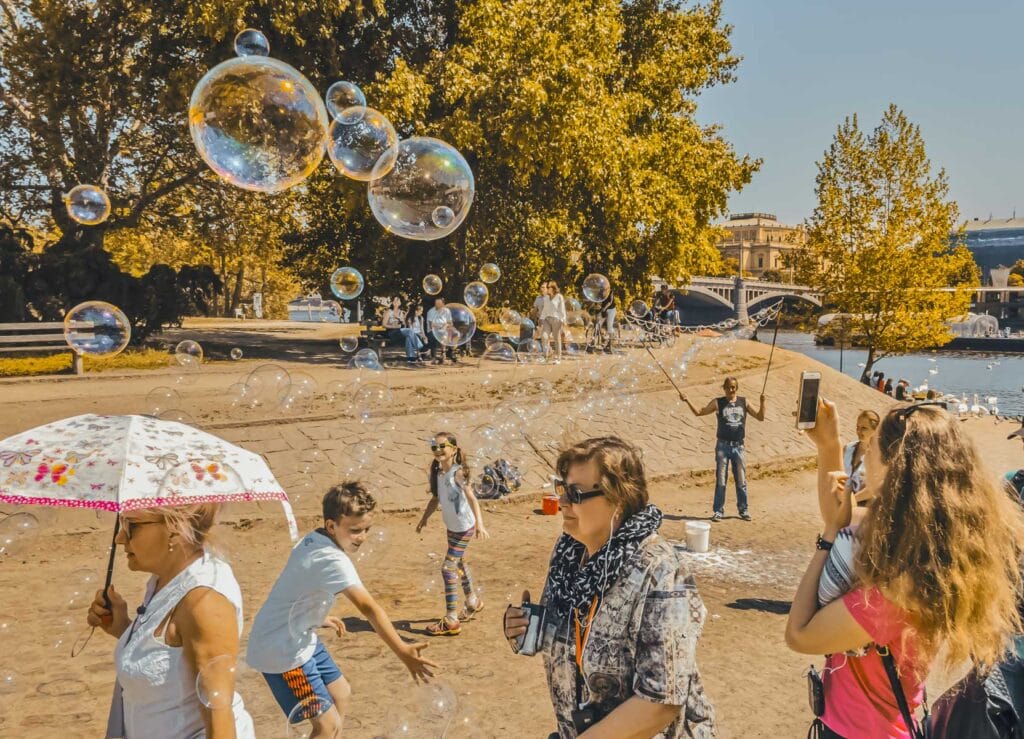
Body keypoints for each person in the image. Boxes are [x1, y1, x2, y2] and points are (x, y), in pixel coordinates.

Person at [786, 400, 1024, 738]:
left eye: (874, 443)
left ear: (895, 466)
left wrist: (825, 540)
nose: (866, 448)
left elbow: (799, 633)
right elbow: (843, 518)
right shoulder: (925, 548)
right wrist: (829, 446)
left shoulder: (900, 593)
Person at [502, 436, 716, 738]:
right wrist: (524, 628)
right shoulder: (569, 554)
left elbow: (662, 700)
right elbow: (572, 640)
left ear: (618, 499)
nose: (562, 501)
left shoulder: (661, 571)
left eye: (575, 493)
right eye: (561, 487)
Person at [247, 482, 437, 737]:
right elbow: (368, 607)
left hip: (298, 635)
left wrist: (319, 616)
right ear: (331, 525)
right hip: (283, 651)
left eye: (367, 529)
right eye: (355, 530)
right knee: (327, 724)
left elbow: (299, 586)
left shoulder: (314, 539)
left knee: (342, 694)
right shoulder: (332, 559)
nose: (363, 537)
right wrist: (402, 650)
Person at [86, 504, 256, 738]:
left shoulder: (204, 602)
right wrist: (125, 630)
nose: (119, 537)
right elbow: (172, 660)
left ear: (174, 527)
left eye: (131, 525)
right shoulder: (165, 578)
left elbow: (219, 717)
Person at [416, 432, 489, 636]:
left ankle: (451, 619)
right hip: (452, 527)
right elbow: (436, 499)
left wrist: (480, 525)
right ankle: (472, 601)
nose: (438, 450)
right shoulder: (439, 474)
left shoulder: (458, 473)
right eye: (434, 447)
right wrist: (424, 518)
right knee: (458, 563)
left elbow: (472, 499)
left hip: (465, 527)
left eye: (442, 446)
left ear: (454, 450)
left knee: (448, 568)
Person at [679, 377, 766, 521]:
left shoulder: (744, 402)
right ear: (723, 388)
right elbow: (699, 412)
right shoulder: (717, 402)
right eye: (728, 387)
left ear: (736, 388)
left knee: (741, 480)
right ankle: (718, 511)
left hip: (739, 447)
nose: (730, 390)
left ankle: (743, 510)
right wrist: (687, 400)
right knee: (721, 480)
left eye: (733, 387)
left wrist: (763, 402)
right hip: (722, 447)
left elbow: (760, 417)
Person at [843, 409, 879, 501]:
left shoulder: (880, 455)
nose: (859, 431)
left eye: (864, 428)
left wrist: (851, 502)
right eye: (857, 427)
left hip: (867, 509)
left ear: (876, 430)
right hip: (844, 504)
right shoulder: (847, 448)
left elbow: (874, 489)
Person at [383, 296, 424, 365]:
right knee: (410, 331)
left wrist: (402, 320)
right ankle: (420, 347)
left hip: (400, 332)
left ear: (400, 303)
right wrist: (393, 326)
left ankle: (411, 359)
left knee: (408, 337)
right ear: (392, 302)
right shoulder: (389, 312)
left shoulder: (401, 312)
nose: (396, 302)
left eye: (398, 300)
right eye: (395, 300)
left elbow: (404, 325)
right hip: (392, 333)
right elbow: (384, 324)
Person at [541, 281, 567, 362]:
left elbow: (562, 309)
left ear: (553, 288)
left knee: (557, 338)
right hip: (547, 319)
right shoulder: (545, 298)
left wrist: (563, 320)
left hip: (556, 320)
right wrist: (541, 318)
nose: (546, 289)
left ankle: (558, 358)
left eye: (548, 287)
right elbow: (544, 309)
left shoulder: (559, 297)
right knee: (544, 336)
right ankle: (546, 356)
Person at [426, 297, 455, 365]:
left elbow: (450, 322)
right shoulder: (431, 311)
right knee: (434, 336)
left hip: (443, 329)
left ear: (443, 304)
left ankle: (443, 355)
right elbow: (431, 325)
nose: (437, 305)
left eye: (439, 303)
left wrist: (445, 326)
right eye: (436, 303)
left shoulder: (447, 311)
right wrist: (440, 327)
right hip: (432, 330)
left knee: (449, 335)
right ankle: (433, 357)